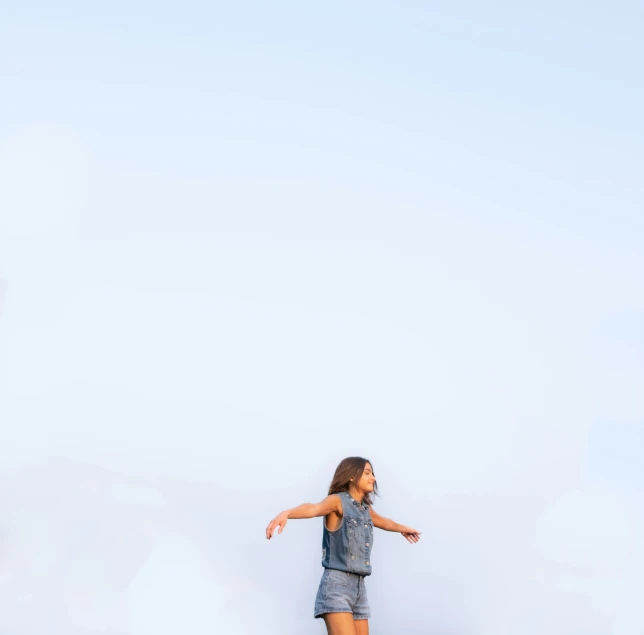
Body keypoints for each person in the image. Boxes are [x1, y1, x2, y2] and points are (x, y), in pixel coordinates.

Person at [266, 456, 420, 635]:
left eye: (373, 474)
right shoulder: (337, 502)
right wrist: (288, 513)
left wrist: (403, 528)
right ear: (352, 476)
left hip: (359, 588)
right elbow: (314, 508)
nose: (373, 478)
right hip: (336, 586)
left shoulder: (365, 509)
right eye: (367, 473)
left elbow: (384, 522)